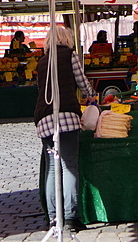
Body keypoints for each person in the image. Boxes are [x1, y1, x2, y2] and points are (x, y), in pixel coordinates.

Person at [34, 25, 96, 232]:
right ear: (66, 39)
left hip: (43, 118)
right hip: (66, 115)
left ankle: (53, 217)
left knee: (52, 167)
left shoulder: (42, 62)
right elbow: (81, 81)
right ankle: (70, 216)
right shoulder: (69, 55)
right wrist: (92, 96)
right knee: (69, 166)